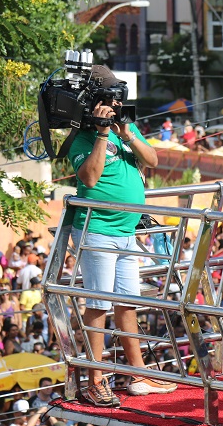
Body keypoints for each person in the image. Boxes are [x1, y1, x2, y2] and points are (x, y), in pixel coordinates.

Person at [67, 65, 175, 406]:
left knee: (128, 303)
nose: (112, 108)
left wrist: (125, 131)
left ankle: (138, 375)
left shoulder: (123, 129)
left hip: (126, 232)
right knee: (98, 305)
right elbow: (91, 177)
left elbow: (153, 159)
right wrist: (100, 133)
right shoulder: (82, 139)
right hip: (96, 231)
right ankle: (94, 381)